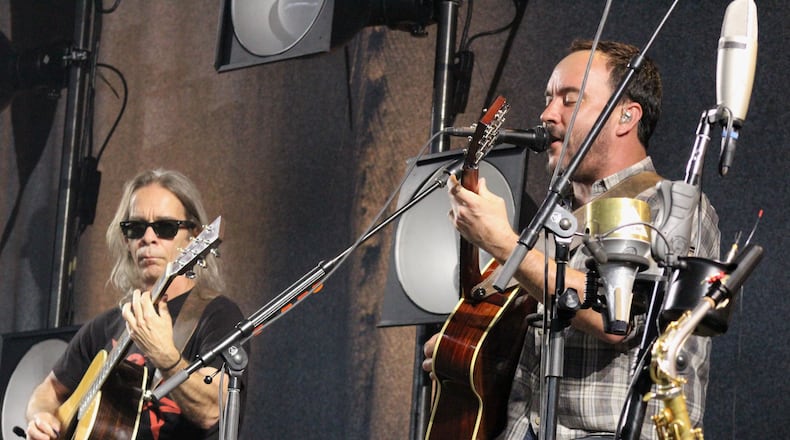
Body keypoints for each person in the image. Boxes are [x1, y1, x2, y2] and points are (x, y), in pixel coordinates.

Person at [423, 40, 720, 439]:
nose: (547, 114)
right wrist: (468, 351)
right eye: (548, 99)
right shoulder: (546, 224)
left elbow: (619, 320)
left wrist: (502, 243)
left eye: (569, 99)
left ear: (625, 117)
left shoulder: (672, 206)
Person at [25, 169, 248, 440]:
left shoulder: (217, 316)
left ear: (194, 235)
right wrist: (41, 416)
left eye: (165, 227)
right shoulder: (104, 327)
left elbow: (216, 411)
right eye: (136, 228)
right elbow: (47, 391)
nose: (148, 238)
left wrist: (167, 359)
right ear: (126, 240)